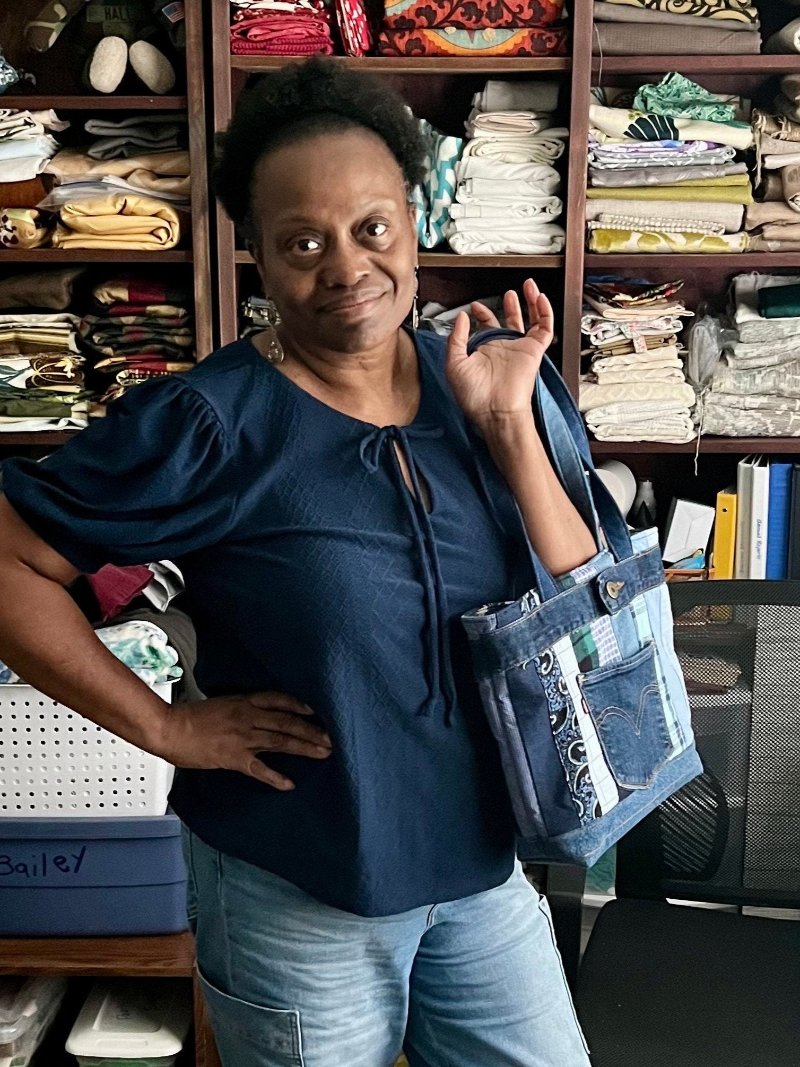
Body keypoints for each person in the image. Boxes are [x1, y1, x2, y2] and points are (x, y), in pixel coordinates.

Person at [0, 58, 595, 1067]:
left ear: (413, 219)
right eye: (301, 241)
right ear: (259, 261)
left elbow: (585, 608)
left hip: (487, 865)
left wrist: (507, 426)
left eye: (370, 227)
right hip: (301, 884)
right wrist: (162, 725)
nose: (345, 267)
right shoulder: (208, 422)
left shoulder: (487, 371)